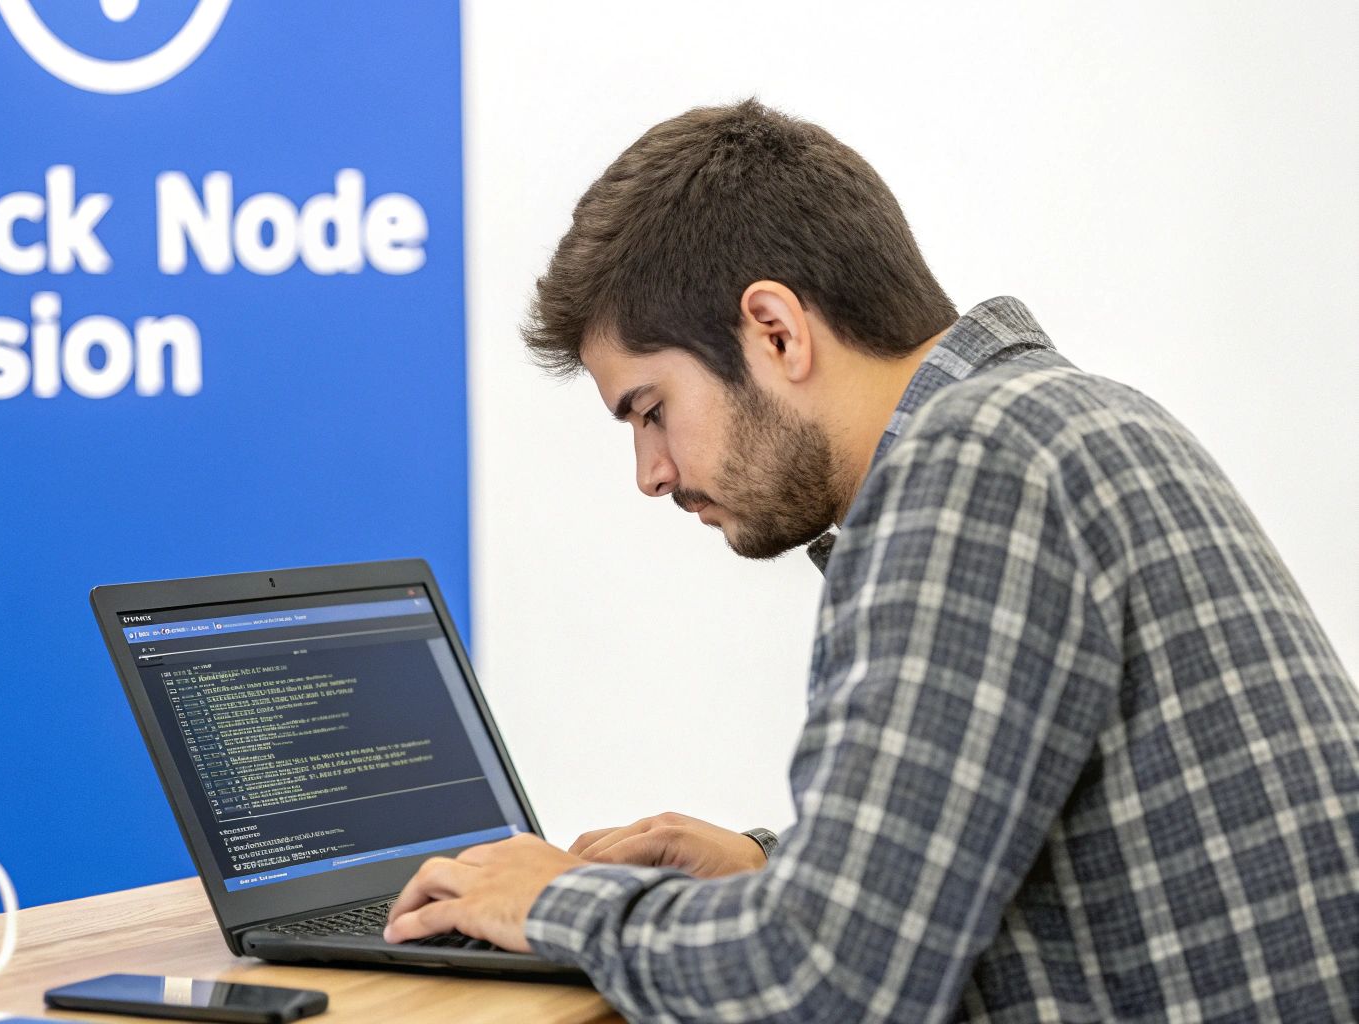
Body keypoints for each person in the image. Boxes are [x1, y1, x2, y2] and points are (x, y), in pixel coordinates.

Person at [382, 97, 1359, 1021]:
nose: (649, 471)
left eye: (648, 409)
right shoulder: (1066, 418)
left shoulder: (969, 463)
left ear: (774, 330)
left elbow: (825, 990)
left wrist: (554, 903)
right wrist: (779, 874)